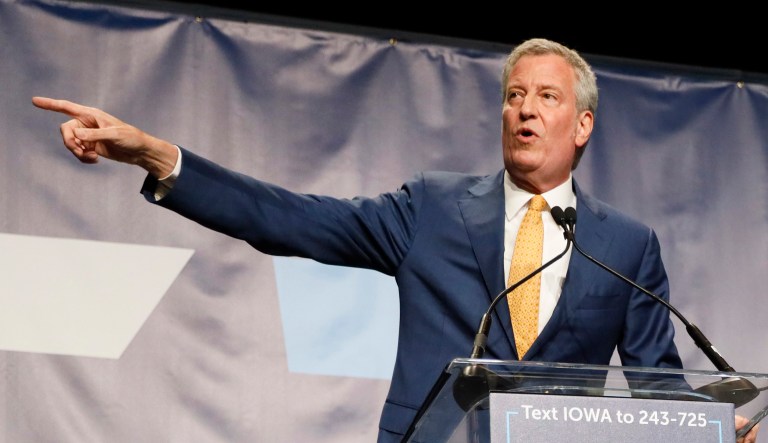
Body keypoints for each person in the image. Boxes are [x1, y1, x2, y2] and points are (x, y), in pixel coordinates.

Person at [32, 38, 758, 443]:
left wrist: (714, 434)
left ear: (584, 123)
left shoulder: (624, 245)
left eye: (545, 97)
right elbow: (292, 219)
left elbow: (659, 385)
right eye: (513, 96)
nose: (524, 111)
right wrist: (161, 157)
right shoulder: (434, 209)